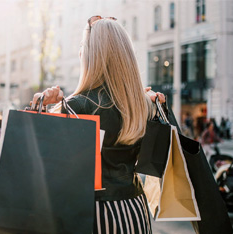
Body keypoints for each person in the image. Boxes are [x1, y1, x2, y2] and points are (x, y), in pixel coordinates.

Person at [31, 16, 165, 234]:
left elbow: (45, 163)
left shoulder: (77, 106)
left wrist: (41, 108)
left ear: (91, 56)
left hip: (91, 213)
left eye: (83, 47)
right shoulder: (144, 104)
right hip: (134, 210)